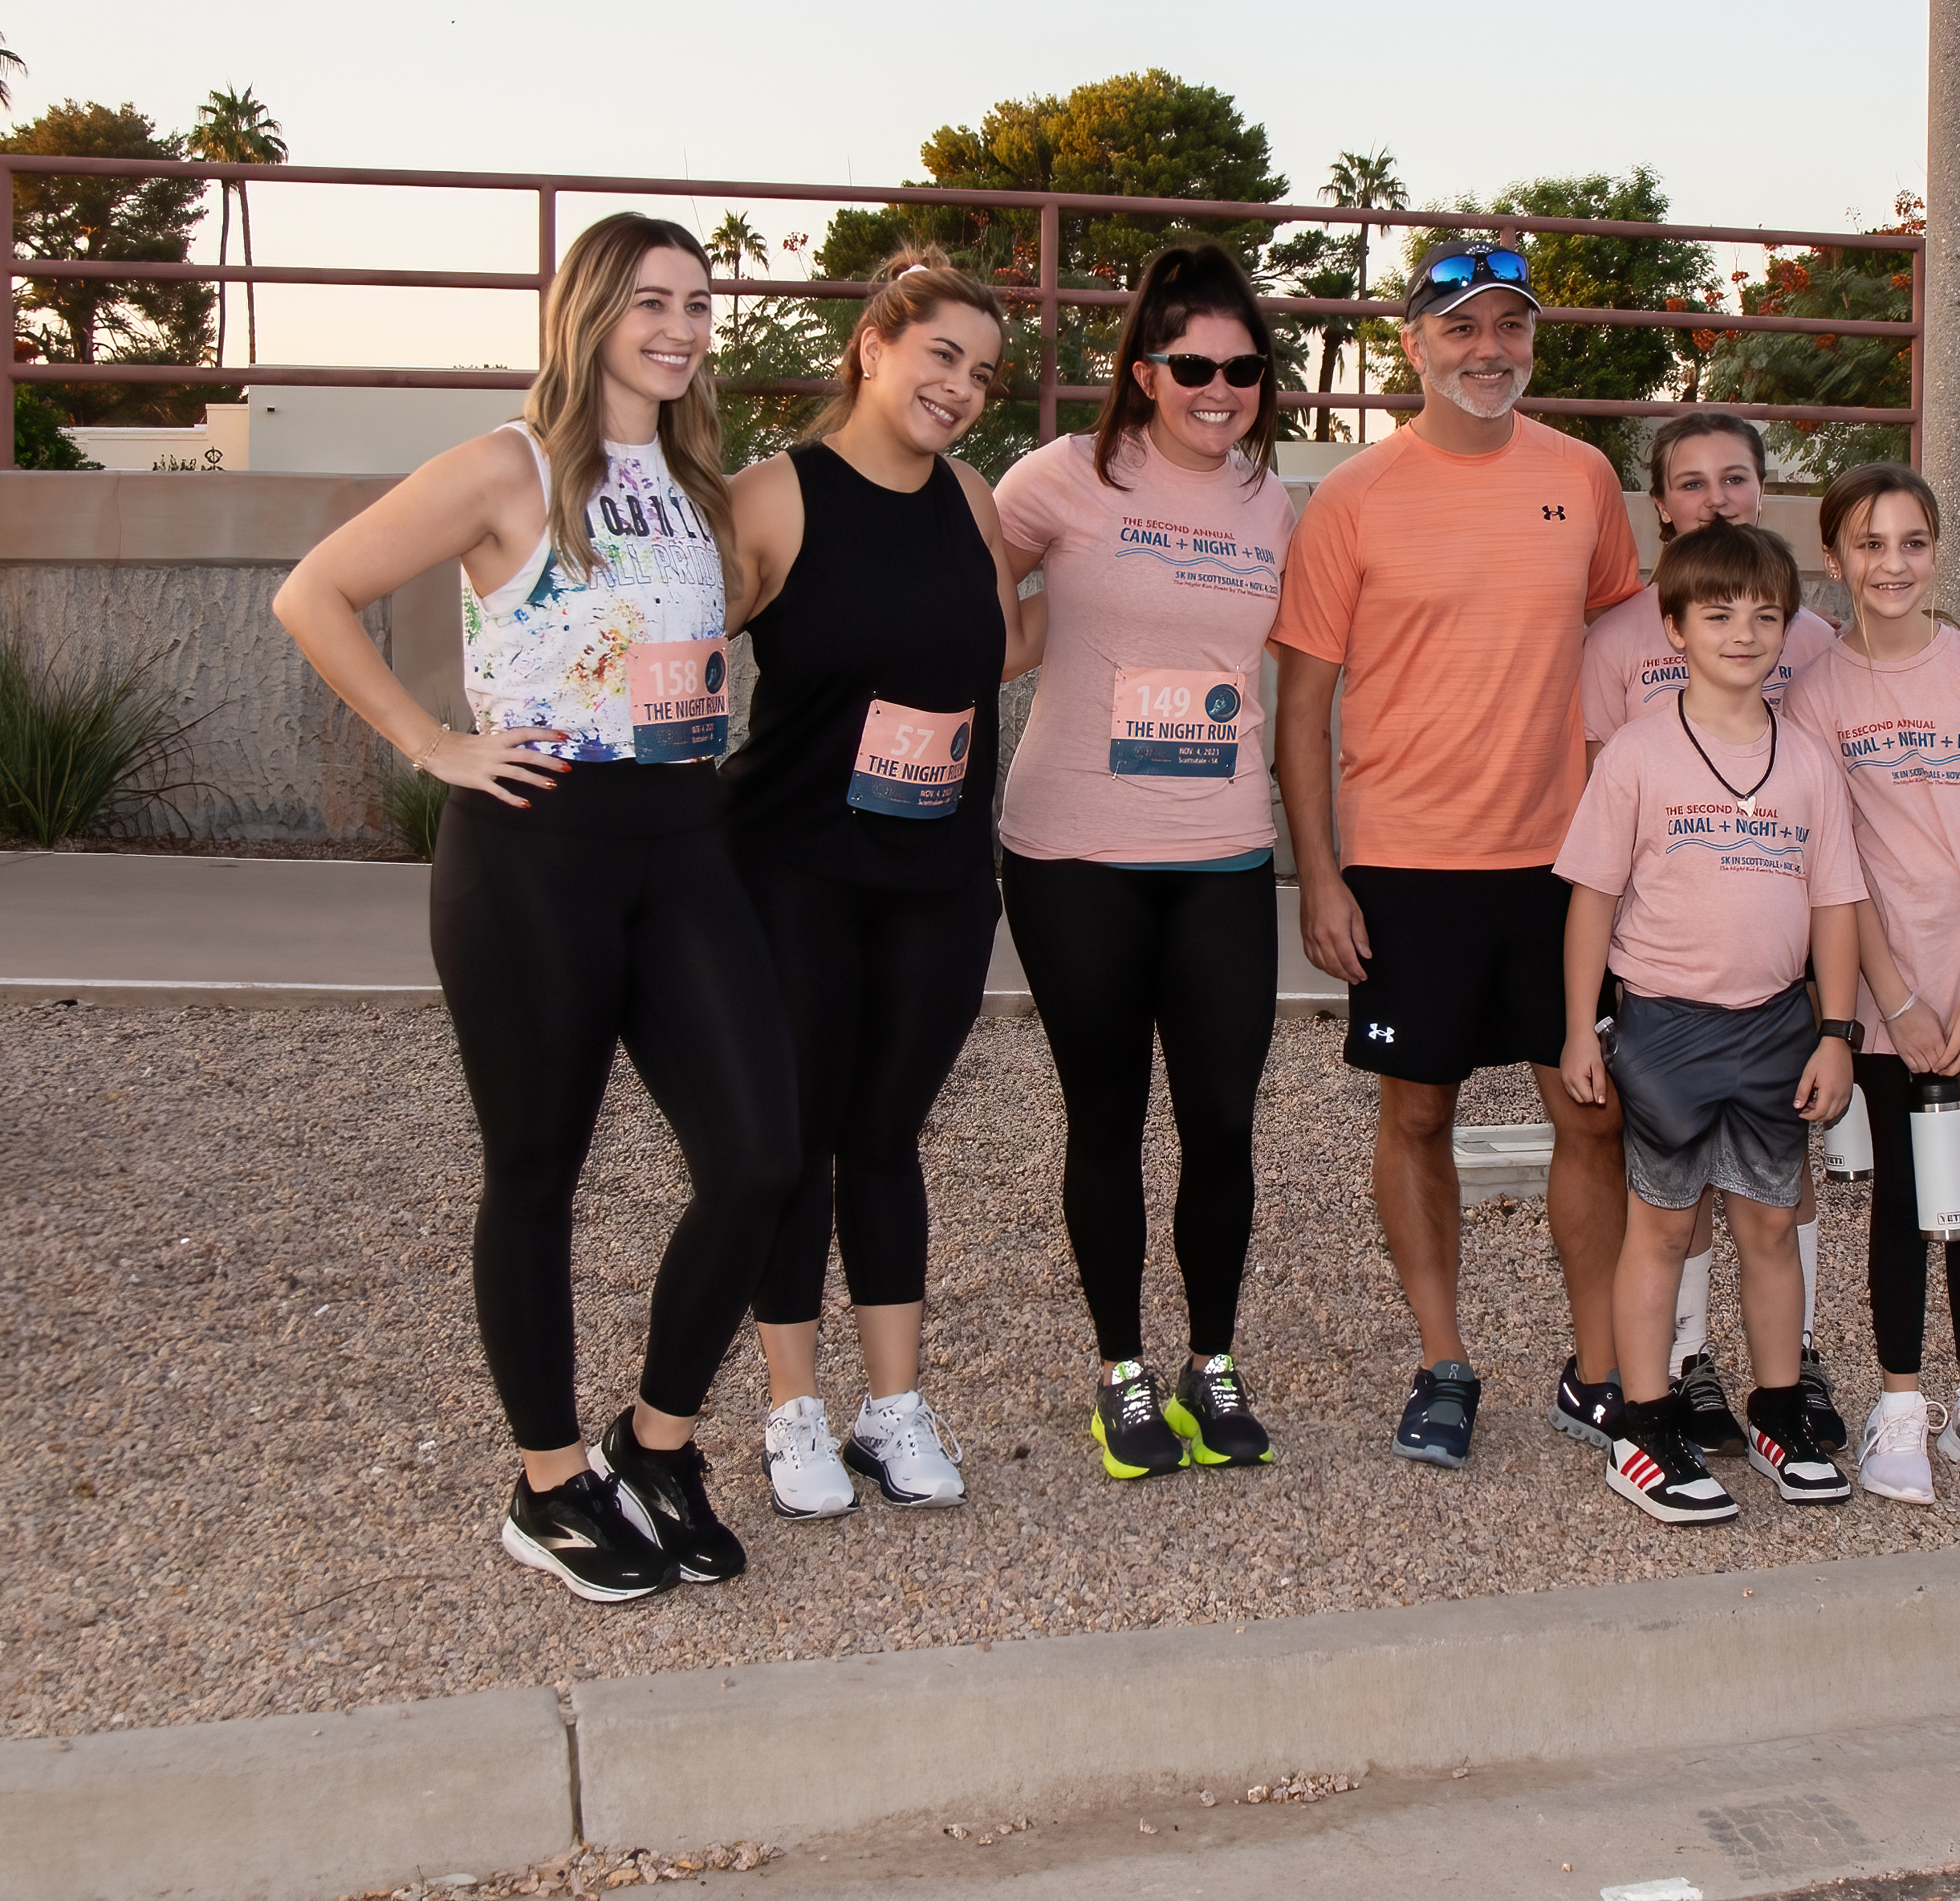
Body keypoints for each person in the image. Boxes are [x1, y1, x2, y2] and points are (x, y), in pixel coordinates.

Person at [274, 213, 799, 1601]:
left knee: (758, 1153)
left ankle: (660, 1441)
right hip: (535, 851)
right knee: (537, 1172)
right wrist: (430, 741)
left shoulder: (699, 482)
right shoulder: (507, 466)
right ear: (588, 313)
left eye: (698, 303)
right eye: (651, 303)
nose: (682, 327)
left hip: (684, 846)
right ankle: (551, 1482)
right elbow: (316, 590)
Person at [1271, 238, 1641, 1472]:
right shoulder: (1353, 498)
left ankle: (1597, 1371)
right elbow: (1303, 708)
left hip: (1558, 863)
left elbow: (1625, 649)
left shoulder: (1583, 478)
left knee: (1589, 1115)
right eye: (1461, 329)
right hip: (1406, 865)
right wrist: (1319, 876)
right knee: (1415, 1113)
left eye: (1510, 329)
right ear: (1414, 345)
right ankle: (1443, 1363)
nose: (1489, 352)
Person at [724, 247, 1022, 1516]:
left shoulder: (972, 498)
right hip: (793, 871)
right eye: (940, 355)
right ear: (874, 347)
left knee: (887, 1135)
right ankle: (793, 1410)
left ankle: (891, 1410)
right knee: (789, 1142)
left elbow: (1003, 640)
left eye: (984, 373)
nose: (959, 388)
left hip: (938, 874)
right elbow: (674, 653)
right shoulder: (775, 495)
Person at [993, 245, 1299, 1480]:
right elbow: (958, 598)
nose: (1216, 389)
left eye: (1240, 368)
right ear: (1143, 369)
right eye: (1191, 366)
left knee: (1222, 1119)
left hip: (1220, 852)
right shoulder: (1061, 479)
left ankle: (1209, 1362)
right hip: (1073, 854)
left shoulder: (1272, 502)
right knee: (1106, 1115)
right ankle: (1119, 1368)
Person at [1555, 520, 1864, 1524]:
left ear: (1789, 628)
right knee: (1662, 1226)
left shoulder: (1809, 763)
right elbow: (1591, 901)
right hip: (1664, 1027)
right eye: (1719, 612)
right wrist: (1577, 1028)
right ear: (1674, 626)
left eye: (1765, 614)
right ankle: (1643, 1428)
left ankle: (1777, 1409)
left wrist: (1837, 1033)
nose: (1744, 632)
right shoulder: (1640, 755)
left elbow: (1834, 908)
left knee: (1771, 1222)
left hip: (1776, 1024)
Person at [1783, 463, 1960, 1506]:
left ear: (1934, 551)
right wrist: (1891, 1003)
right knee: (1900, 1200)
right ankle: (1899, 1403)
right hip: (1890, 1000)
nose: (1889, 563)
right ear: (1834, 557)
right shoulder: (1815, 699)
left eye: (1909, 542)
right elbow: (1832, 873)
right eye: (1867, 543)